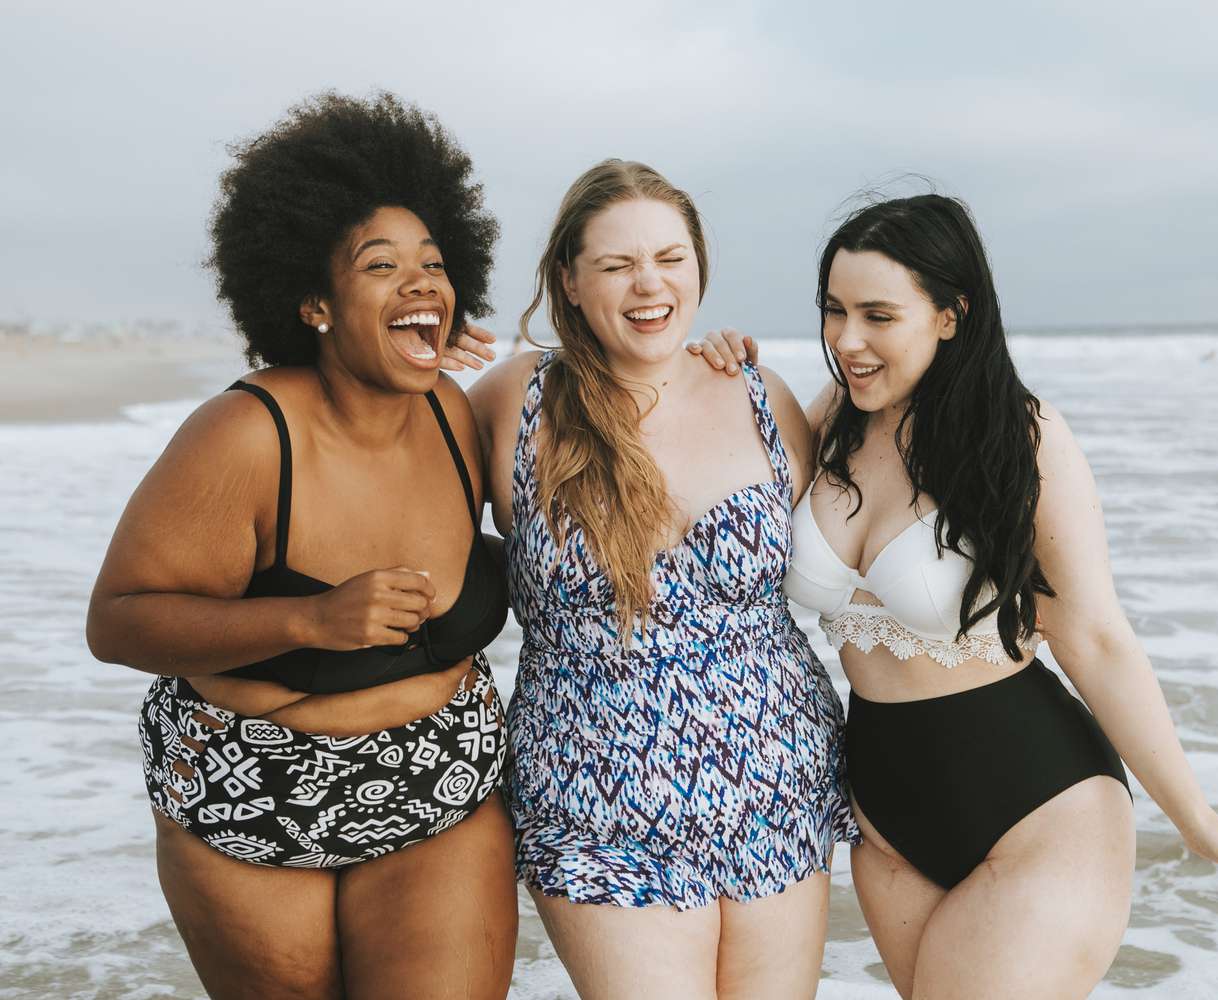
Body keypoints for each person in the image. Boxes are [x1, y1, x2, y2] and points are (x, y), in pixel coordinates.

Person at [689, 194, 1218, 999]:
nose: (848, 340)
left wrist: (1198, 820)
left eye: (879, 315)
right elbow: (714, 508)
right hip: (885, 816)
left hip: (1038, 808)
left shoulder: (1022, 437)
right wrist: (708, 370)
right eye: (834, 310)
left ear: (952, 315)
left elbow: (1094, 638)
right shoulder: (834, 417)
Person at [86, 93, 517, 998]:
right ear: (316, 300)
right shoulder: (246, 434)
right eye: (382, 265)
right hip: (254, 795)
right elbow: (120, 624)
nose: (422, 283)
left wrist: (717, 357)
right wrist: (310, 618)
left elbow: (608, 402)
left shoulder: (456, 415)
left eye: (434, 266)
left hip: (440, 788)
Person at [467, 160, 857, 999]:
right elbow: (385, 505)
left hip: (774, 778)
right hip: (594, 795)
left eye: (671, 259)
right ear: (568, 281)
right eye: (616, 265)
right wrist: (411, 363)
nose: (650, 285)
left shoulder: (759, 392)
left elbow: (879, 509)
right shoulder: (513, 402)